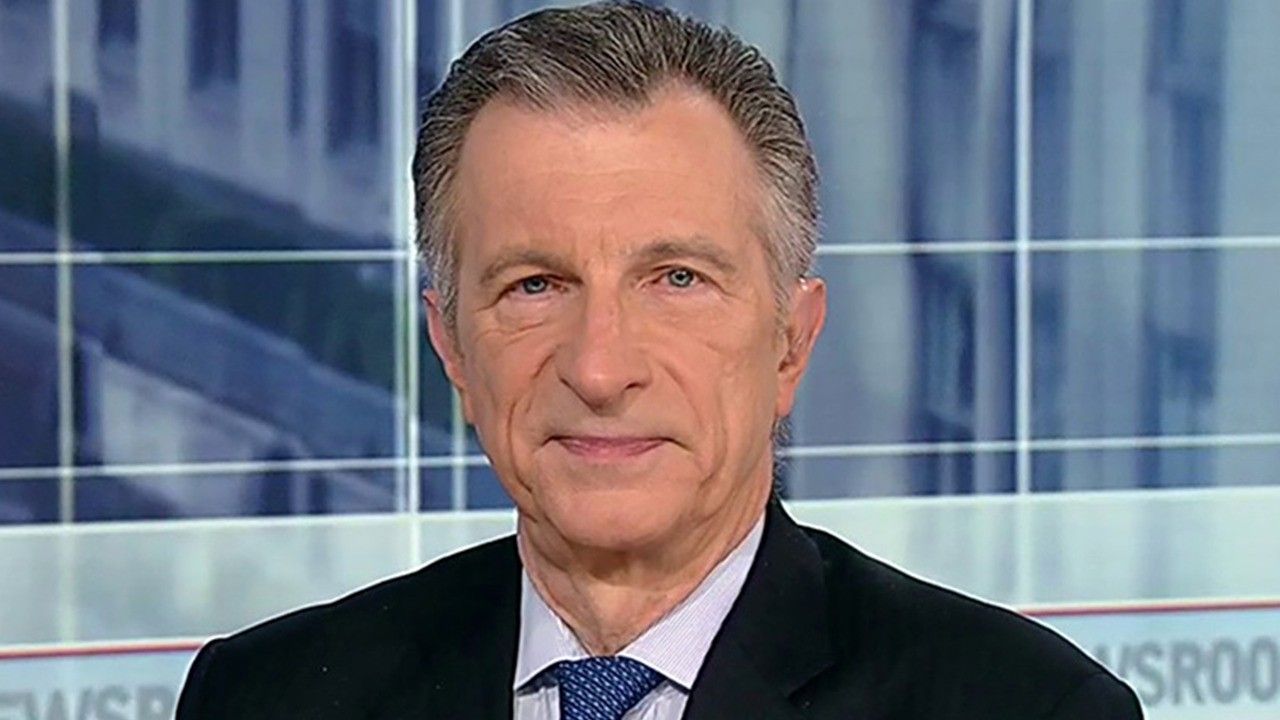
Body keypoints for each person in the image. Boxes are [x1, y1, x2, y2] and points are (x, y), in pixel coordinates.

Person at [176, 2, 1143, 718]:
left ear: (792, 342)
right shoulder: (268, 697)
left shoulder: (1025, 708)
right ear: (452, 346)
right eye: (535, 286)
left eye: (677, 279)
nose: (600, 370)